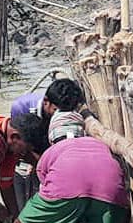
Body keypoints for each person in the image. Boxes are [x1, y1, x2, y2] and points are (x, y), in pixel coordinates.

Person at [9, 78, 85, 211]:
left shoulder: (65, 111)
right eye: (56, 110)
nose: (60, 115)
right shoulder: (22, 107)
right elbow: (20, 146)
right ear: (46, 102)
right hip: (28, 152)